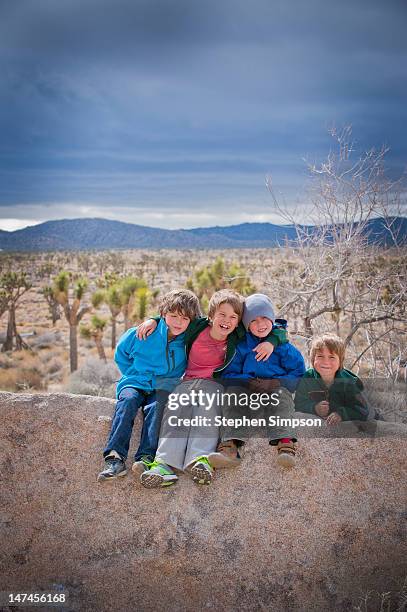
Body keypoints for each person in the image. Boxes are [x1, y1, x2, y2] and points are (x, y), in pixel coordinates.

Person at [137, 289, 288, 487]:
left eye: (233, 317)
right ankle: (164, 464)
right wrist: (153, 319)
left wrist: (272, 341)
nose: (227, 320)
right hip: (187, 382)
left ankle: (200, 460)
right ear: (211, 315)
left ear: (238, 321)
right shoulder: (197, 327)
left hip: (214, 385)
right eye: (222, 315)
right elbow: (176, 316)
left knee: (207, 413)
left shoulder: (238, 335)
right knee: (175, 411)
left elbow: (276, 329)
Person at [97, 289, 201, 482]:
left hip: (163, 386)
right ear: (163, 314)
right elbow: (121, 355)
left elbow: (211, 324)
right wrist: (134, 373)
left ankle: (145, 458)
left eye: (185, 318)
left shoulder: (188, 340)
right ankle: (115, 458)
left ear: (192, 320)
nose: (179, 322)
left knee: (157, 407)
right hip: (135, 381)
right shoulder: (143, 332)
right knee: (127, 402)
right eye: (173, 316)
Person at [209, 293, 306, 468]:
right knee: (233, 395)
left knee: (282, 397)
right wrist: (247, 381)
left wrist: (277, 382)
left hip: (275, 387)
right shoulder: (242, 346)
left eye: (264, 318)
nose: (260, 324)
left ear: (272, 318)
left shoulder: (283, 347)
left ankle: (285, 445)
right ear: (246, 324)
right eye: (253, 320)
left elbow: (298, 373)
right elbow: (228, 374)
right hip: (248, 390)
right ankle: (230, 448)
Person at [294, 333, 372, 423]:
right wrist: (314, 408)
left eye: (332, 357)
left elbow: (362, 410)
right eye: (320, 356)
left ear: (340, 361)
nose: (326, 362)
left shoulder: (350, 382)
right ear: (312, 359)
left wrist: (341, 414)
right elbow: (298, 404)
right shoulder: (307, 378)